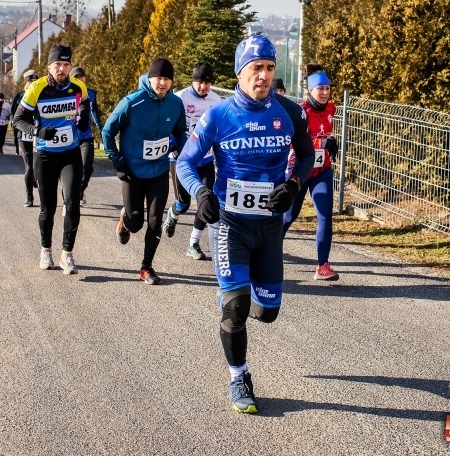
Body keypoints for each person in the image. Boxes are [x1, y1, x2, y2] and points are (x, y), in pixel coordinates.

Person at [176, 34, 315, 413]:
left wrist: (292, 185)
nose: (264, 75)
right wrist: (201, 194)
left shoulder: (290, 112)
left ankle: (242, 292)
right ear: (240, 73)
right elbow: (186, 162)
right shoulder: (219, 115)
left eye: (270, 68)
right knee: (235, 309)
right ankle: (239, 376)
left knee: (266, 313)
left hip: (268, 227)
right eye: (256, 68)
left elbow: (306, 155)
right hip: (231, 225)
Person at [101, 58, 188, 285]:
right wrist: (118, 162)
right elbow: (107, 132)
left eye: (167, 79)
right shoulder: (132, 102)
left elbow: (181, 132)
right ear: (149, 79)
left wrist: (179, 146)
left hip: (159, 170)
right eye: (158, 78)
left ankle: (146, 267)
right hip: (132, 172)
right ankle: (125, 219)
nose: (162, 83)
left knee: (155, 220)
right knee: (136, 223)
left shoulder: (175, 104)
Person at [12, 44, 87, 275]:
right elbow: (17, 120)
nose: (62, 69)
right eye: (58, 65)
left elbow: (84, 104)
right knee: (48, 208)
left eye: (66, 65)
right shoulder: (36, 88)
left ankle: (67, 254)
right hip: (44, 155)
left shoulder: (78, 86)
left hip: (70, 153)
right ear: (49, 66)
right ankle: (46, 250)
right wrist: (38, 132)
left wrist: (82, 116)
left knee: (72, 203)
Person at [281, 64, 340, 281]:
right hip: (300, 171)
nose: (325, 92)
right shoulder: (300, 112)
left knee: (325, 217)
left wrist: (332, 142)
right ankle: (268, 251)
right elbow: (294, 142)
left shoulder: (331, 109)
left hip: (322, 170)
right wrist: (322, 141)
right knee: (288, 216)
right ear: (310, 90)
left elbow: (327, 134)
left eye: (327, 88)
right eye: (320, 89)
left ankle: (323, 265)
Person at [162, 62, 223, 260]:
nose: (203, 86)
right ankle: (172, 215)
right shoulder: (180, 97)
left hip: (205, 159)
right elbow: (168, 123)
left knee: (206, 201)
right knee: (184, 203)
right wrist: (172, 143)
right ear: (192, 81)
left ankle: (193, 243)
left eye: (207, 83)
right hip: (182, 159)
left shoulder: (217, 101)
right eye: (199, 82)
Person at [70, 66, 103, 206]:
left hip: (86, 136)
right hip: (70, 138)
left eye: (81, 76)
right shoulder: (66, 93)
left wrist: (101, 130)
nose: (79, 79)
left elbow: (95, 113)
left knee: (87, 168)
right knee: (71, 170)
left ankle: (78, 192)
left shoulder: (91, 94)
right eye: (76, 77)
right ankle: (71, 197)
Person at [13, 70, 40, 206]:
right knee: (29, 167)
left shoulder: (43, 95)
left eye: (36, 81)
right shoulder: (19, 96)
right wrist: (15, 141)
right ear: (26, 83)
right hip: (24, 136)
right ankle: (29, 196)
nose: (33, 84)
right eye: (31, 81)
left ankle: (35, 178)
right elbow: (15, 119)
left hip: (39, 135)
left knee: (39, 167)